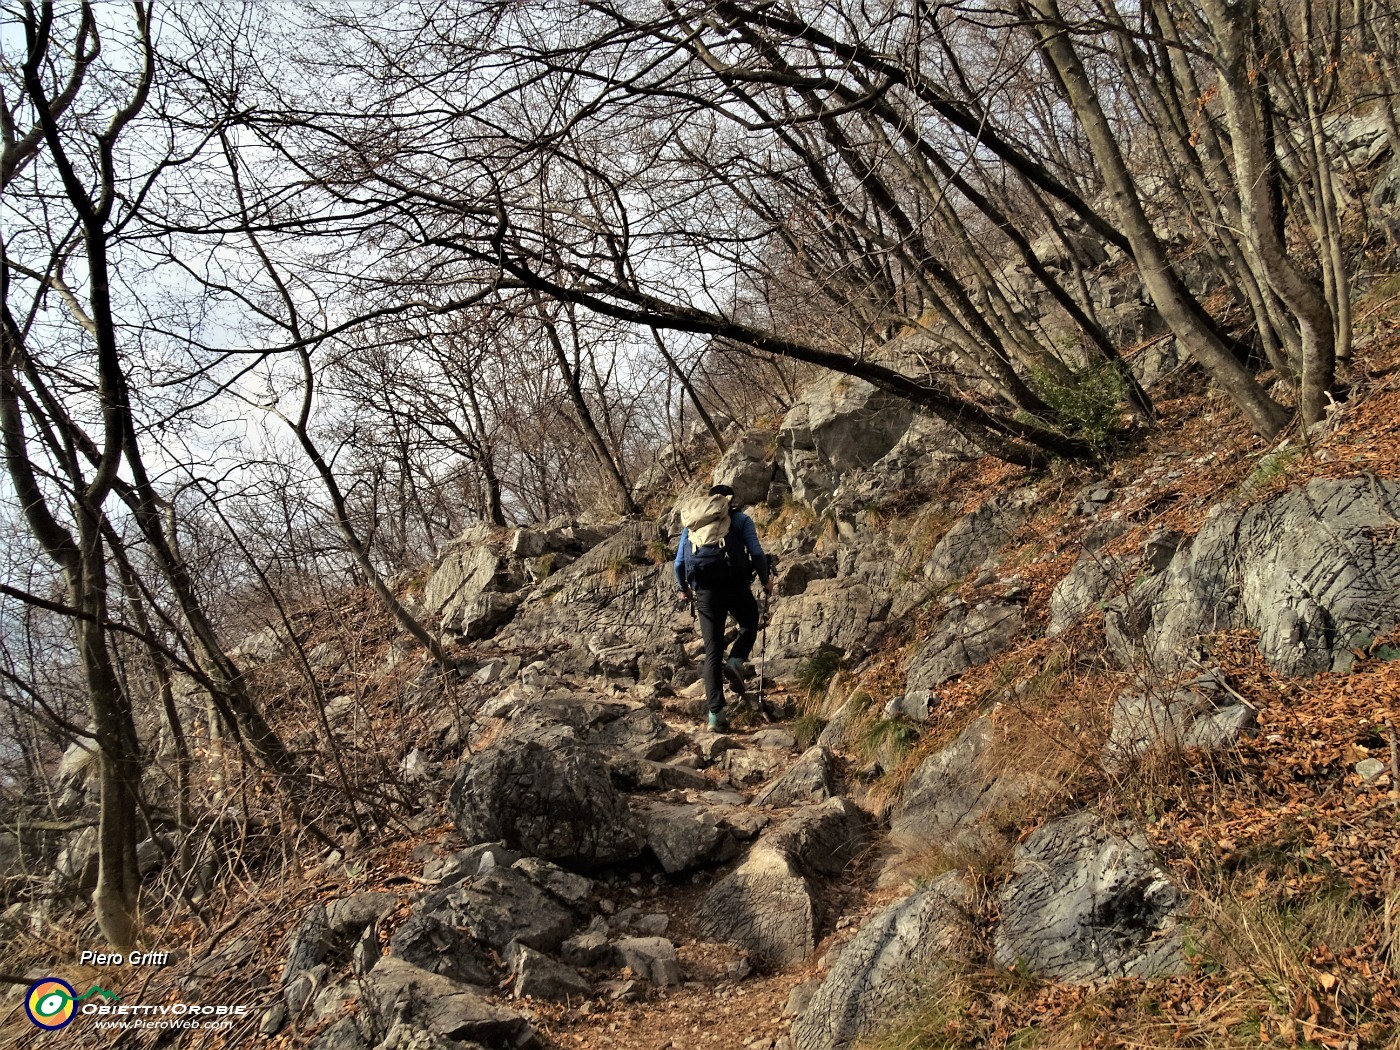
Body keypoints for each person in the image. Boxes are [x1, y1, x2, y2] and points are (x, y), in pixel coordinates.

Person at [674, 484, 776, 730]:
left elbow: (679, 564)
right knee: (750, 623)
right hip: (735, 585)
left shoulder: (693, 526)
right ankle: (736, 661)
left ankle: (716, 715)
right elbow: (757, 554)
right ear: (730, 499)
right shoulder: (739, 519)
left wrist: (683, 589)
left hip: (705, 592)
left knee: (712, 651)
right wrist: (765, 580)